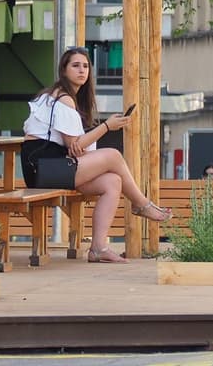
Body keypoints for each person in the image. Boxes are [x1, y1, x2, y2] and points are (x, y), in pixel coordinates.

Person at [21, 46, 172, 264]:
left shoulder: (69, 99)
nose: (82, 71)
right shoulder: (62, 98)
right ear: (63, 71)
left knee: (113, 181)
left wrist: (81, 144)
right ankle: (141, 205)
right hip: (42, 167)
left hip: (55, 165)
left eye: (85, 66)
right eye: (75, 66)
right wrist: (107, 127)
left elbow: (77, 147)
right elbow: (75, 144)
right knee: (112, 154)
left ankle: (98, 248)